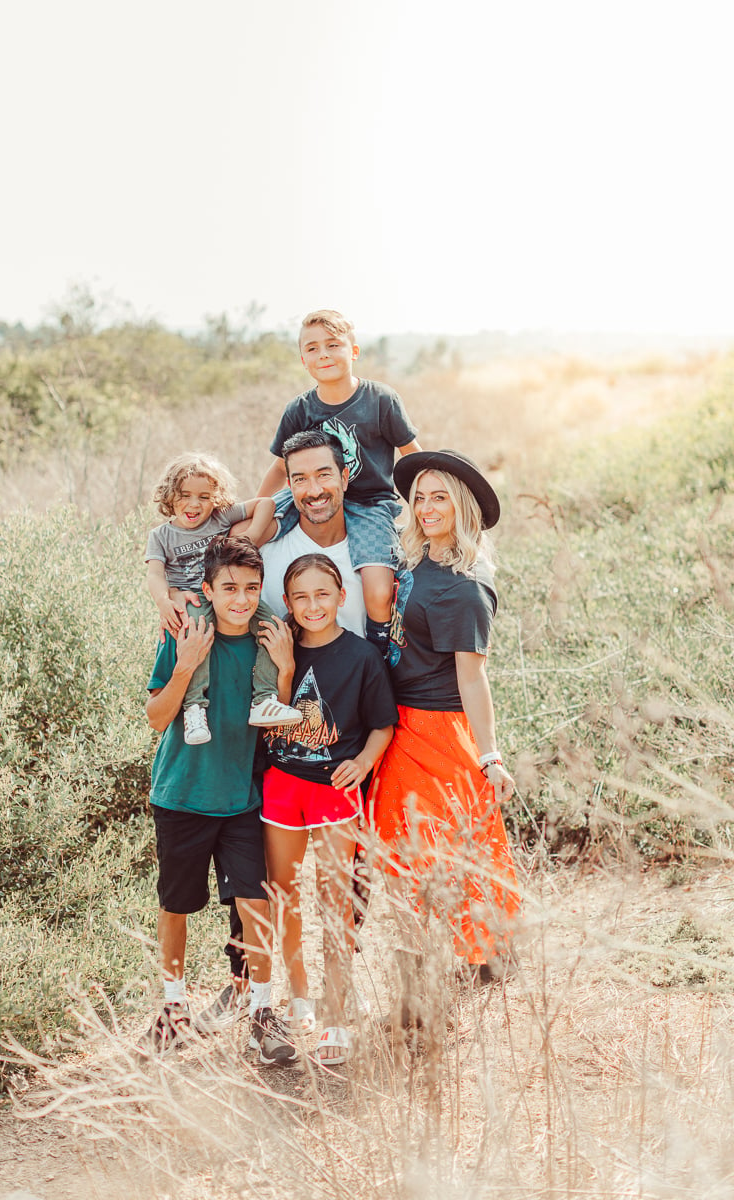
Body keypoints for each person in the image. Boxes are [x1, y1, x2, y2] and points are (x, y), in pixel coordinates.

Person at [194, 430, 371, 1033]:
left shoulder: (376, 544)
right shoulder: (273, 556)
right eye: (298, 478)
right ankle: (255, 986)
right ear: (286, 484)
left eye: (323, 475)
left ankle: (340, 1000)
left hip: (355, 741)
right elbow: (222, 590)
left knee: (345, 891)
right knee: (269, 883)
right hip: (281, 749)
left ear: (345, 475)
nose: (313, 489)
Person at [367, 450, 520, 1020]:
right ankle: (452, 954)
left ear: (462, 507)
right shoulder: (417, 560)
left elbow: (473, 677)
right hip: (403, 721)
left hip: (437, 728)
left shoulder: (463, 586)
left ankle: (479, 955)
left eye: (440, 498)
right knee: (417, 844)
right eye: (421, 497)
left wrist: (489, 755)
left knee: (447, 846)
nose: (427, 508)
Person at [144, 535, 298, 1065]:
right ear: (206, 589)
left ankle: (261, 1013)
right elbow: (157, 718)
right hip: (182, 795)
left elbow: (273, 723)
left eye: (252, 588)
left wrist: (284, 669)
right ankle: (172, 1009)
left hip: (242, 800)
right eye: (229, 588)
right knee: (177, 906)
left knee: (256, 904)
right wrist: (186, 664)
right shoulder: (185, 633)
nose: (241, 598)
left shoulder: (266, 638)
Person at [259, 554, 398, 1065]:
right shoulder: (279, 648)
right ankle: (300, 1003)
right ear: (288, 603)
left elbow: (383, 724)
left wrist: (362, 762)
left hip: (334, 790)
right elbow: (268, 719)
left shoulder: (362, 657)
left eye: (323, 595)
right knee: (285, 899)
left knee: (335, 903)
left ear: (342, 597)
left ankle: (337, 1013)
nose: (312, 605)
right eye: (300, 597)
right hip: (282, 786)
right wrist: (286, 668)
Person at [257, 309, 421, 657]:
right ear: (303, 359)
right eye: (313, 348)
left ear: (354, 351)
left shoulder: (380, 400)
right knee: (245, 532)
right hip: (310, 495)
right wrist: (258, 505)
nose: (324, 355)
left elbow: (412, 457)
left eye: (333, 345)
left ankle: (378, 654)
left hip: (369, 503)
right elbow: (278, 469)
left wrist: (423, 507)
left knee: (377, 590)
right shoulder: (299, 410)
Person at [146, 451, 301, 745]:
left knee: (273, 627)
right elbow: (154, 575)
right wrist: (164, 602)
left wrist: (251, 537)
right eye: (184, 495)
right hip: (193, 602)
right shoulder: (162, 536)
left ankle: (263, 700)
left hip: (227, 598)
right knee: (196, 637)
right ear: (169, 495)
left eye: (205, 496)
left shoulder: (219, 518)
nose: (194, 504)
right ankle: (194, 708)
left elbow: (266, 503)